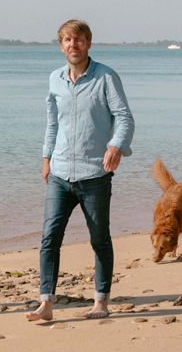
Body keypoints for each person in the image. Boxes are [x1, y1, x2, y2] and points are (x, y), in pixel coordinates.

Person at [27, 19, 134, 322]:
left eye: (79, 39)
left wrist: (115, 147)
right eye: (67, 40)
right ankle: (45, 303)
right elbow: (53, 123)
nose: (73, 45)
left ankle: (101, 300)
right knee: (49, 238)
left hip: (94, 174)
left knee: (99, 239)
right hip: (59, 173)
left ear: (88, 43)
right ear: (61, 46)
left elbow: (124, 117)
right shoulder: (55, 79)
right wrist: (46, 158)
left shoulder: (106, 77)